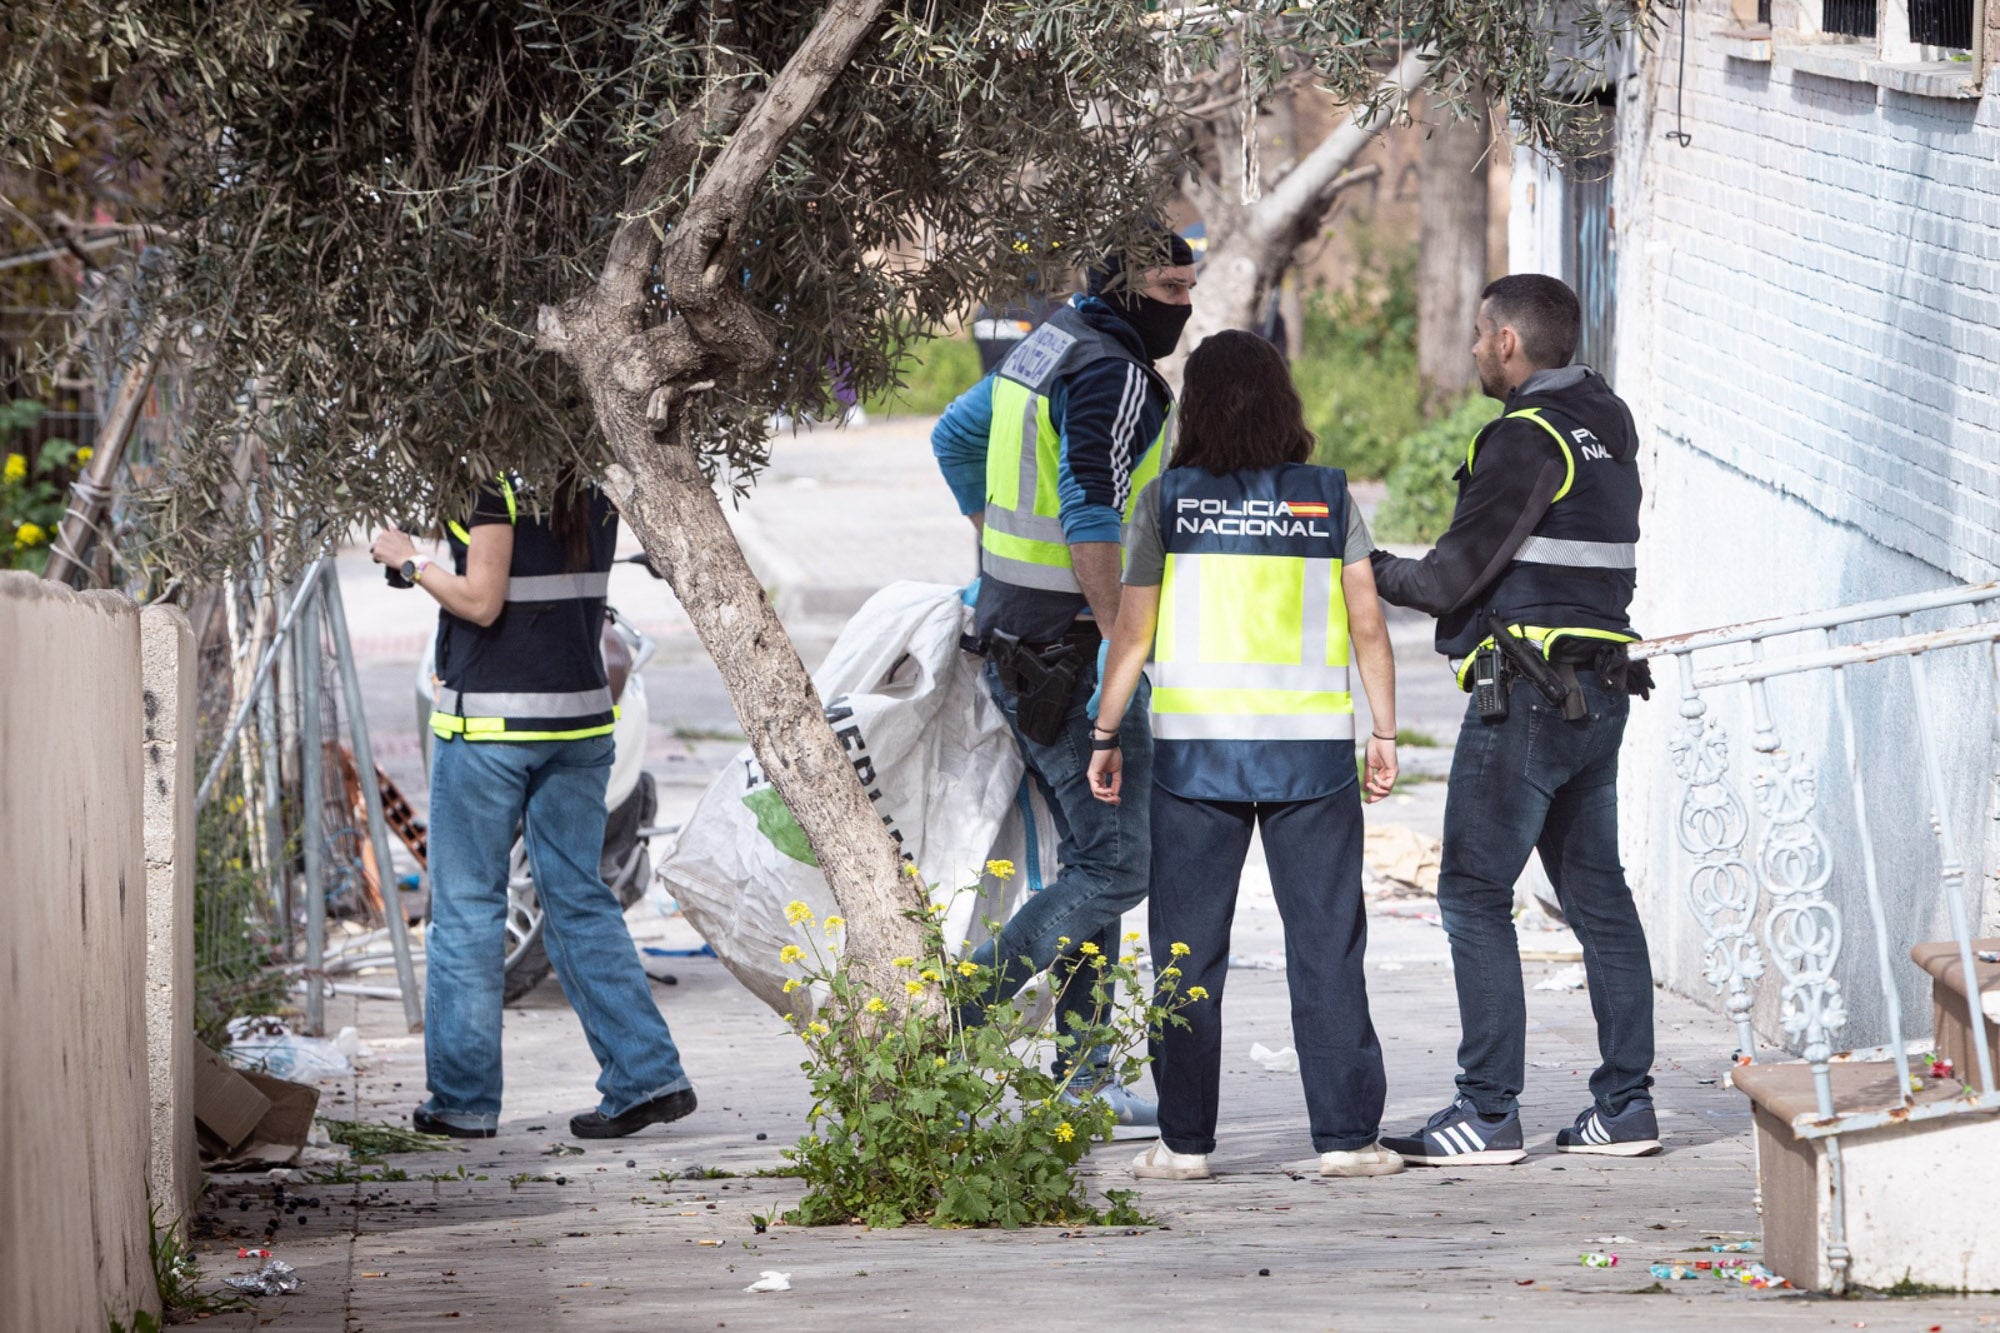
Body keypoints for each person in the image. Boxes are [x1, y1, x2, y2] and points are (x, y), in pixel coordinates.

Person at [1085, 329, 1405, 1181]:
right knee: (1327, 943)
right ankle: (1347, 1139)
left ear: (1194, 407)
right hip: (1311, 761)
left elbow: (1132, 634)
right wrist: (1383, 729)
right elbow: (1368, 624)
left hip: (1198, 760)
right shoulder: (1326, 497)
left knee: (1186, 953)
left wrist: (1106, 733)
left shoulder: (1166, 502)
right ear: (1281, 401)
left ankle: (1183, 1143)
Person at [1370, 274, 1658, 1165]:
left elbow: (1447, 578)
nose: (1470, 349)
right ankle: (1626, 1107)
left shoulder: (1526, 436)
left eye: (1477, 334)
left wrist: (1360, 562)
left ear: (1507, 342)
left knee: (1471, 892)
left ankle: (1488, 1111)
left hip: (1529, 698)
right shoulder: (1606, 425)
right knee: (1599, 899)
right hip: (1598, 690)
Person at [930, 227, 1197, 1132]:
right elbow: (1090, 511)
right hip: (1070, 656)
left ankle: (1084, 1074)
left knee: (1094, 852)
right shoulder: (1114, 374)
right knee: (1119, 864)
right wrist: (1123, 645)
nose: (1185, 305)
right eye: (1170, 287)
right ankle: (961, 1010)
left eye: (1189, 285)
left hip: (1014, 635)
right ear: (1124, 290)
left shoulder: (1051, 340)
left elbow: (953, 436)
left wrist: (996, 550)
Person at [370, 473, 696, 1140]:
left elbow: (482, 601)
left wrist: (410, 561)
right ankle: (648, 1075)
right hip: (579, 724)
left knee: (468, 909)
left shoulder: (493, 482)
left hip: (490, 729)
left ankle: (462, 1101)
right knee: (580, 900)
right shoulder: (587, 481)